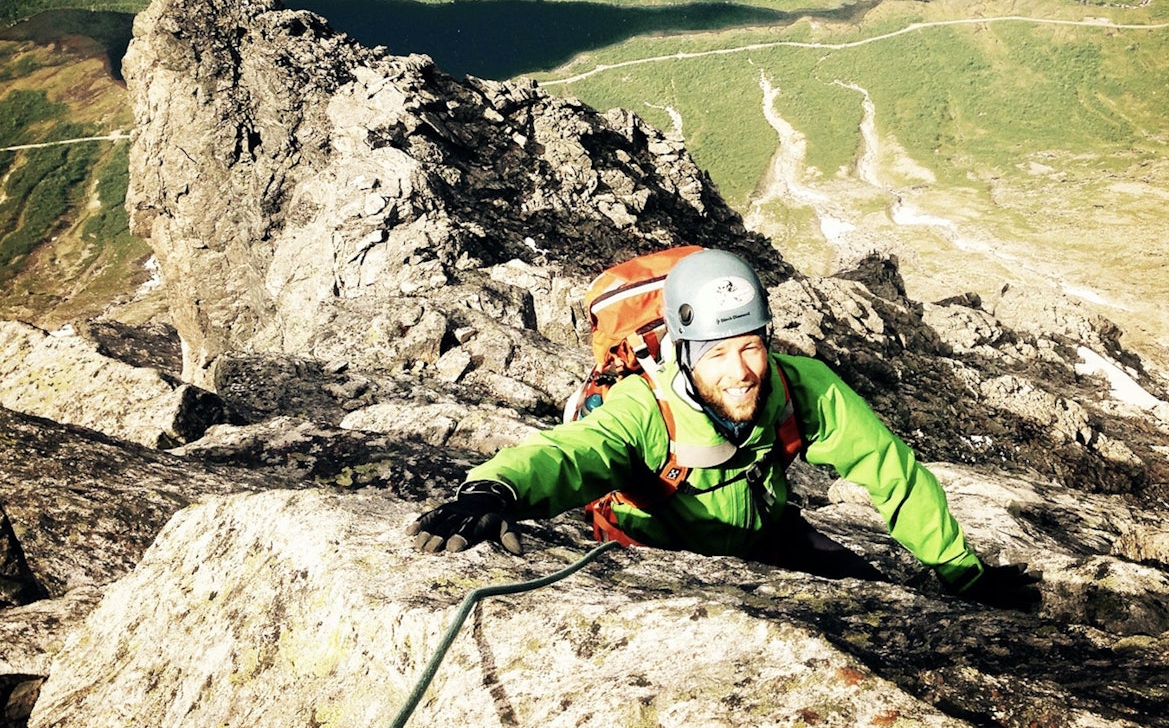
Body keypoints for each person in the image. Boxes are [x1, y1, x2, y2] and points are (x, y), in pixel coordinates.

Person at [410, 248, 1040, 611]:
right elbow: (567, 455)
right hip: (655, 562)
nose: (741, 372)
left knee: (879, 603)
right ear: (681, 352)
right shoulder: (645, 409)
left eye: (750, 347)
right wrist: (493, 490)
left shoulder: (800, 386)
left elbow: (891, 473)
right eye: (715, 353)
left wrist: (964, 573)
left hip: (767, 535)